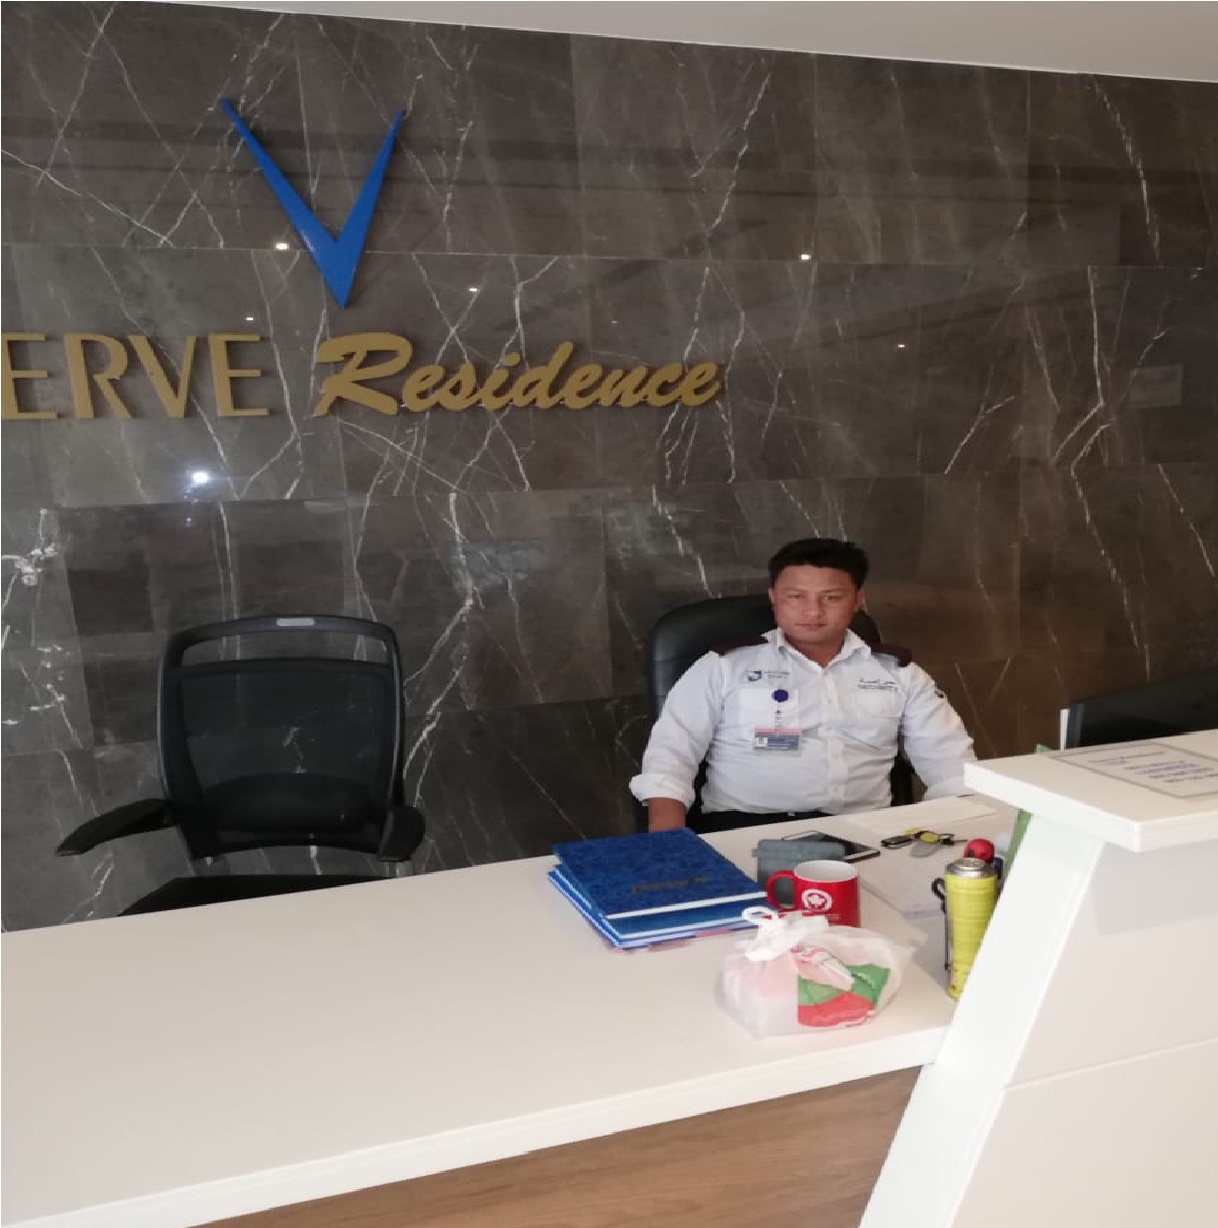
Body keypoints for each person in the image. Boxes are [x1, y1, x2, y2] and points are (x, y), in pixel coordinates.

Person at [630, 538, 977, 833]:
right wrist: (670, 847)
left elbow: (949, 762)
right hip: (744, 829)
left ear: (858, 600)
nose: (813, 611)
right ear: (773, 596)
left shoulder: (898, 673)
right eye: (796, 596)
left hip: (865, 830)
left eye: (832, 597)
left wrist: (970, 831)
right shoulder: (725, 666)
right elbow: (671, 755)